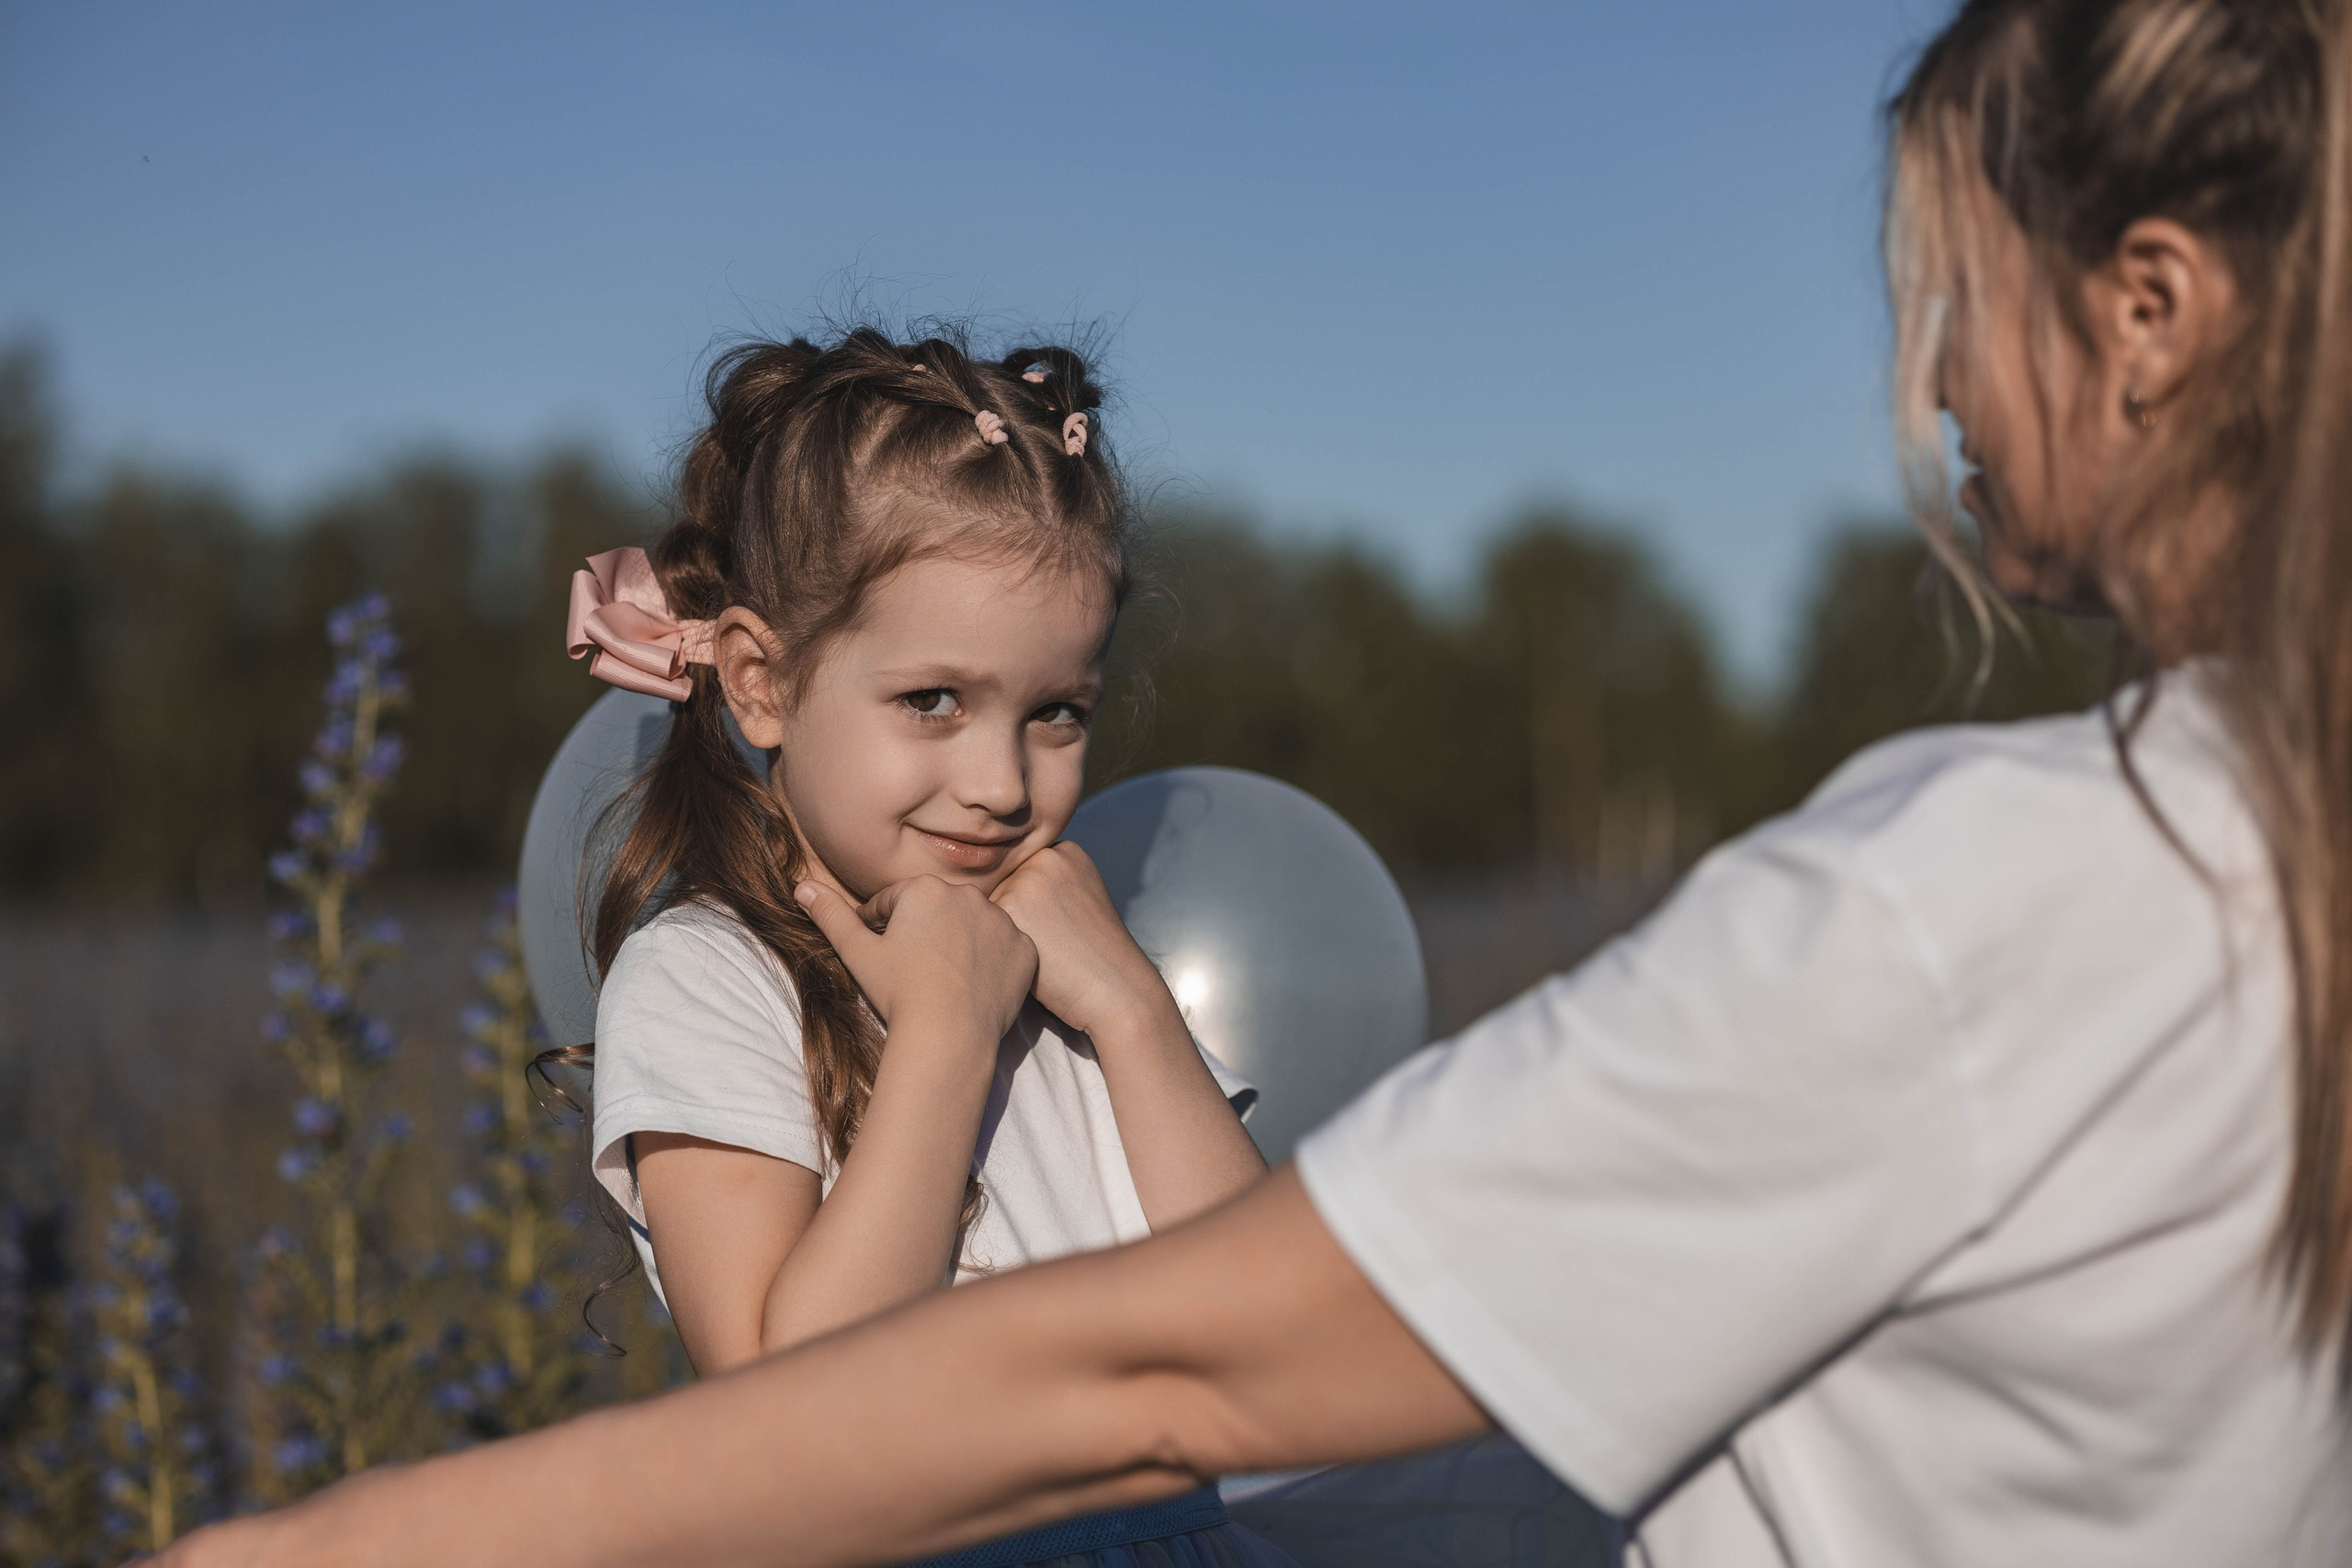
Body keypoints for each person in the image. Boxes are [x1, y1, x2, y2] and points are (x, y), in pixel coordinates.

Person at [161, 0, 2352, 1562]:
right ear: (760, 679)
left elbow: (1195, 1359)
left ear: (2146, 314)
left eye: (1943, 294)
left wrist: (333, 1543)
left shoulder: (1984, 895)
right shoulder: (2253, 845)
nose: (1938, 375)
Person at [547, 328, 1283, 1566]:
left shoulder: (1076, 979)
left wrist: (1136, 1018)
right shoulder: (711, 975)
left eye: (1055, 712)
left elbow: (1275, 1333)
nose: (1000, 784)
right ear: (761, 683)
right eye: (931, 701)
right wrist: (945, 1034)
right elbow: (792, 1410)